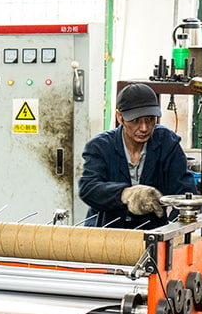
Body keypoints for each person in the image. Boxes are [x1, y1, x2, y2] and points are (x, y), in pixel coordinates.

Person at [78, 83, 194, 229]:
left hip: (153, 231)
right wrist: (125, 194)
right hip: (107, 231)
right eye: (135, 120)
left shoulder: (166, 142)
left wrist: (175, 228)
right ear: (120, 117)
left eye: (150, 119)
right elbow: (88, 188)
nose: (144, 128)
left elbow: (185, 191)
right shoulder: (100, 146)